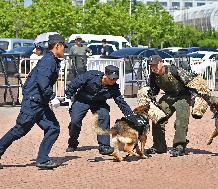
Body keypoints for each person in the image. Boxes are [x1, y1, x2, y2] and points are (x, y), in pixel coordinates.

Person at [0, 34, 67, 169]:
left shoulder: (52, 60)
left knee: (53, 128)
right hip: (33, 102)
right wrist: (52, 97)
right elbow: (43, 82)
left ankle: (42, 159)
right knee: (19, 130)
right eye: (64, 47)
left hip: (40, 103)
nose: (64, 50)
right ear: (57, 46)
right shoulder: (48, 60)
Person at [65, 65, 146, 155]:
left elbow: (121, 103)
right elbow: (75, 83)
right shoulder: (91, 75)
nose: (113, 81)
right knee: (75, 121)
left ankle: (104, 146)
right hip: (82, 100)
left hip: (99, 103)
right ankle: (72, 143)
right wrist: (68, 97)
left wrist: (133, 118)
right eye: (111, 79)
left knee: (104, 115)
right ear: (105, 75)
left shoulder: (114, 88)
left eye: (115, 79)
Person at [146, 55, 193, 157]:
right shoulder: (153, 76)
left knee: (181, 121)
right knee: (157, 117)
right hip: (169, 96)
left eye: (155, 65)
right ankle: (159, 146)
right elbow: (153, 91)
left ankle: (179, 147)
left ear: (161, 63)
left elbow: (193, 82)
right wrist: (149, 97)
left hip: (183, 95)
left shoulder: (174, 70)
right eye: (151, 66)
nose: (153, 68)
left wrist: (199, 98)